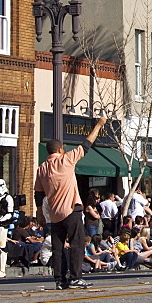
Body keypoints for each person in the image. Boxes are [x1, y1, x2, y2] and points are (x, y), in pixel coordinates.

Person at [34, 115, 107, 290]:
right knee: (77, 243)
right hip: (71, 210)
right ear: (60, 149)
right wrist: (99, 124)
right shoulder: (66, 160)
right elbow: (87, 144)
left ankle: (59, 279)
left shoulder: (41, 169)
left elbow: (38, 194)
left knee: (57, 248)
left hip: (54, 213)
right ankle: (75, 277)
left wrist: (39, 213)